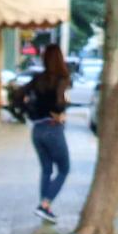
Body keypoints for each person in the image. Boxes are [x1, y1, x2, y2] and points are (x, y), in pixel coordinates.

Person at [22, 43, 72, 223]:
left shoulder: (38, 79)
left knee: (46, 169)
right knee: (65, 169)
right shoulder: (62, 78)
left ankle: (45, 207)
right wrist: (60, 111)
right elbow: (59, 103)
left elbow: (20, 95)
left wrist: (30, 111)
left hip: (37, 130)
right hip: (53, 128)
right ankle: (44, 205)